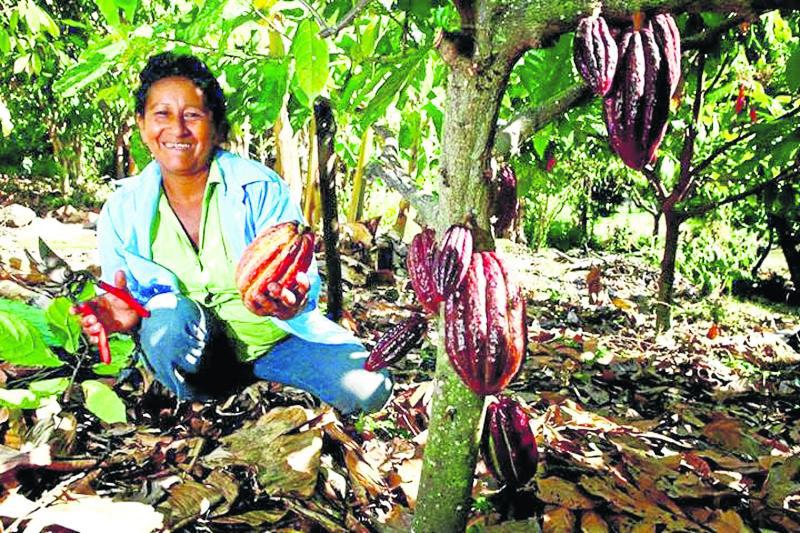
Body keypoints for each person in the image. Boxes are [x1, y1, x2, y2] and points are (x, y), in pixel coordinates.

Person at [76, 52, 392, 414]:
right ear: (142, 123)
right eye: (162, 114)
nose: (177, 129)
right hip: (195, 354)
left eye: (192, 115)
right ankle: (203, 395)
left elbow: (298, 275)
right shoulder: (122, 210)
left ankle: (262, 378)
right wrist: (124, 317)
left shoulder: (257, 187)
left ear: (215, 126)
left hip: (276, 343)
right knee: (166, 318)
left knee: (370, 386)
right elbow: (125, 298)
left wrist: (290, 301)